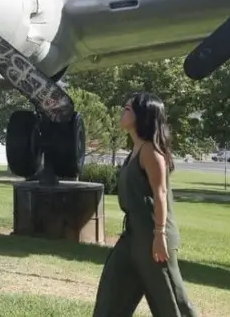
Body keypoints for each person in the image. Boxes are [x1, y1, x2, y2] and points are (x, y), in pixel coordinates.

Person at [92, 92, 197, 317]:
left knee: (172, 305)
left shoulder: (151, 151)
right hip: (132, 236)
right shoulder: (135, 151)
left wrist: (160, 237)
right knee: (112, 295)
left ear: (143, 116)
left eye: (128, 108)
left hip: (154, 238)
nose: (123, 110)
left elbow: (161, 194)